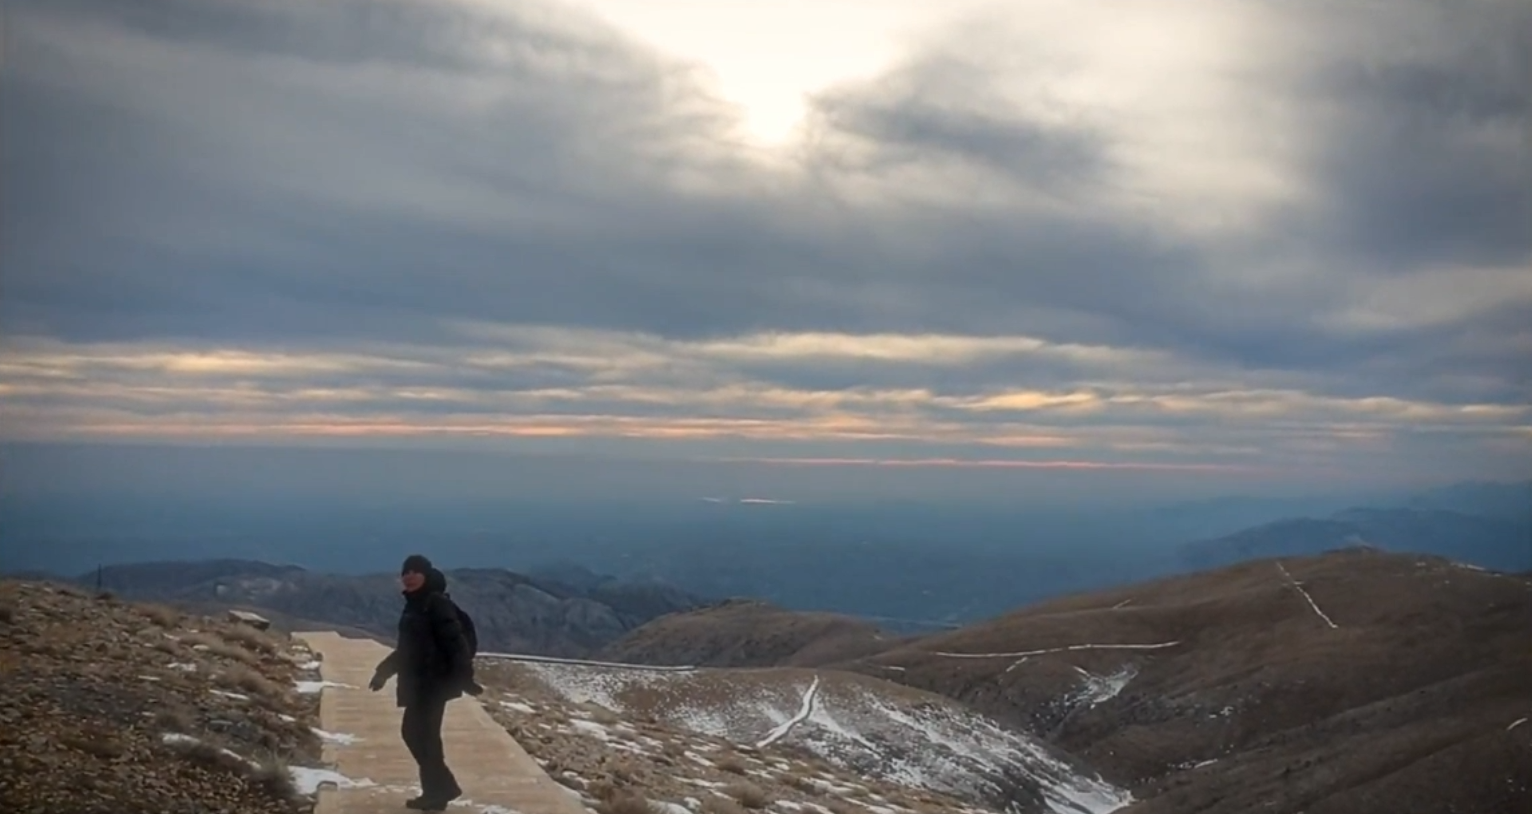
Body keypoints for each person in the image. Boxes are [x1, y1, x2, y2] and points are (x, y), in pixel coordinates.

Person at [369, 554, 479, 811]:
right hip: (419, 682)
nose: (409, 576)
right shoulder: (415, 605)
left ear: (426, 575)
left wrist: (466, 677)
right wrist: (383, 672)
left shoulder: (435, 603)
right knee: (421, 736)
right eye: (405, 571)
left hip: (434, 683)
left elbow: (456, 643)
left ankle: (441, 789)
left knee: (419, 735)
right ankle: (437, 791)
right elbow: (408, 649)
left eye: (415, 571)